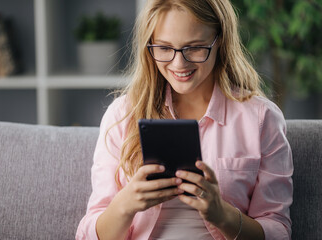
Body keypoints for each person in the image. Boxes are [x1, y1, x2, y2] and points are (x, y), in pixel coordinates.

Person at [76, 0, 293, 239]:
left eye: (195, 47)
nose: (179, 64)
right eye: (165, 48)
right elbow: (86, 234)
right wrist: (125, 205)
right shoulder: (123, 115)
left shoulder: (261, 119)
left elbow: (278, 231)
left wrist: (222, 215)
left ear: (219, 40)